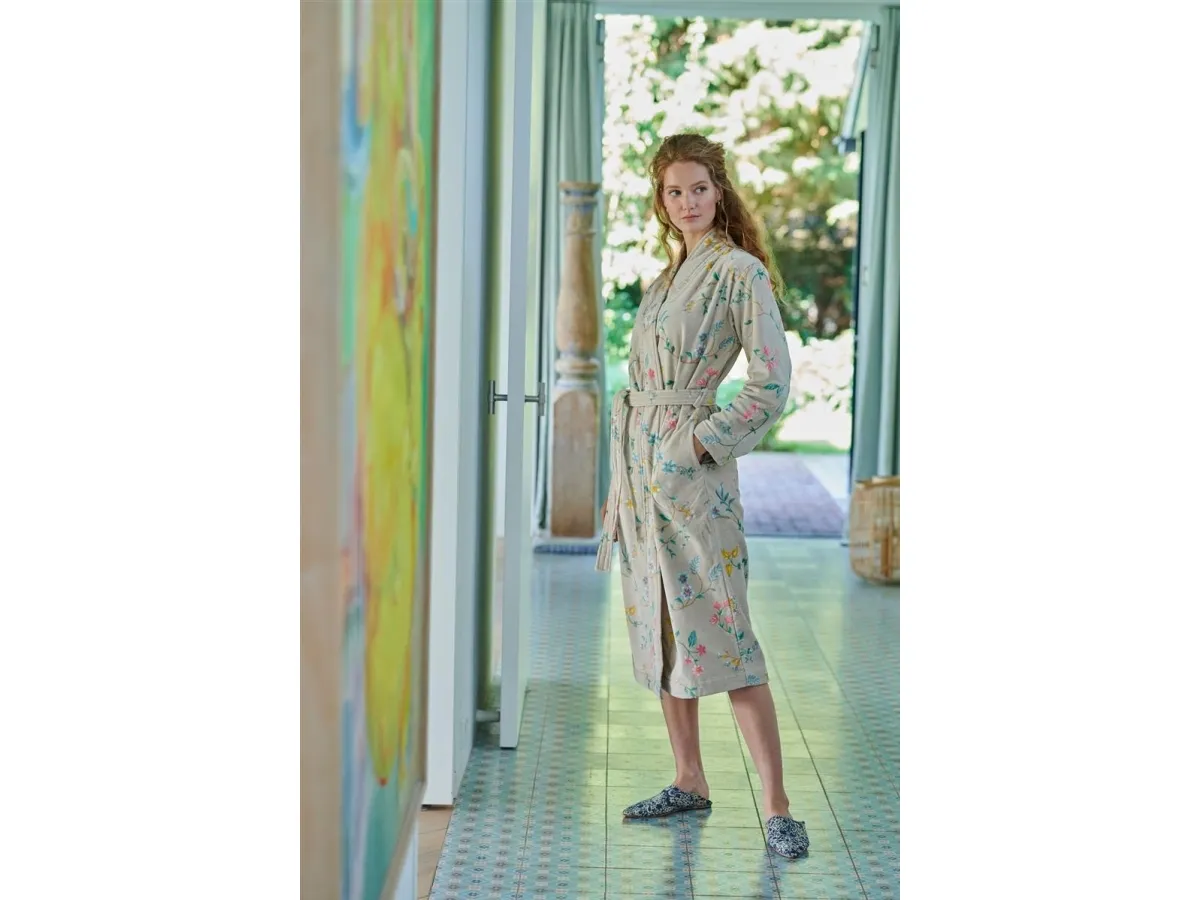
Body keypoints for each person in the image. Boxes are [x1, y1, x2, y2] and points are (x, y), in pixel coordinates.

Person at [595, 133, 809, 859]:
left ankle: (778, 807)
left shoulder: (739, 272)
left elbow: (771, 382)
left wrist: (699, 444)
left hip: (693, 476)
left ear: (720, 191)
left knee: (725, 629)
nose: (686, 202)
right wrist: (625, 485)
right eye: (673, 191)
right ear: (661, 201)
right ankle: (689, 778)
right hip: (641, 472)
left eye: (698, 188)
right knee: (660, 625)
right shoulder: (666, 278)